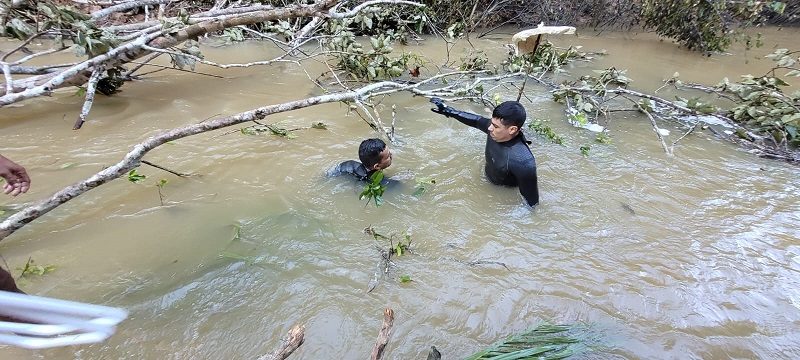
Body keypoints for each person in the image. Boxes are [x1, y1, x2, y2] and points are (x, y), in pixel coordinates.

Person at [430, 98, 539, 206]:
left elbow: (531, 205)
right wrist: (448, 110)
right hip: (484, 178)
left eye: (495, 126)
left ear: (512, 130)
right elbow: (476, 121)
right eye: (491, 123)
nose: (490, 128)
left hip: (499, 197)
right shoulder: (495, 131)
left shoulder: (524, 163)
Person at [328, 138, 394, 185]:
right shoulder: (380, 181)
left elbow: (329, 174)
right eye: (388, 156)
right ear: (377, 166)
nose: (391, 154)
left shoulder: (348, 165)